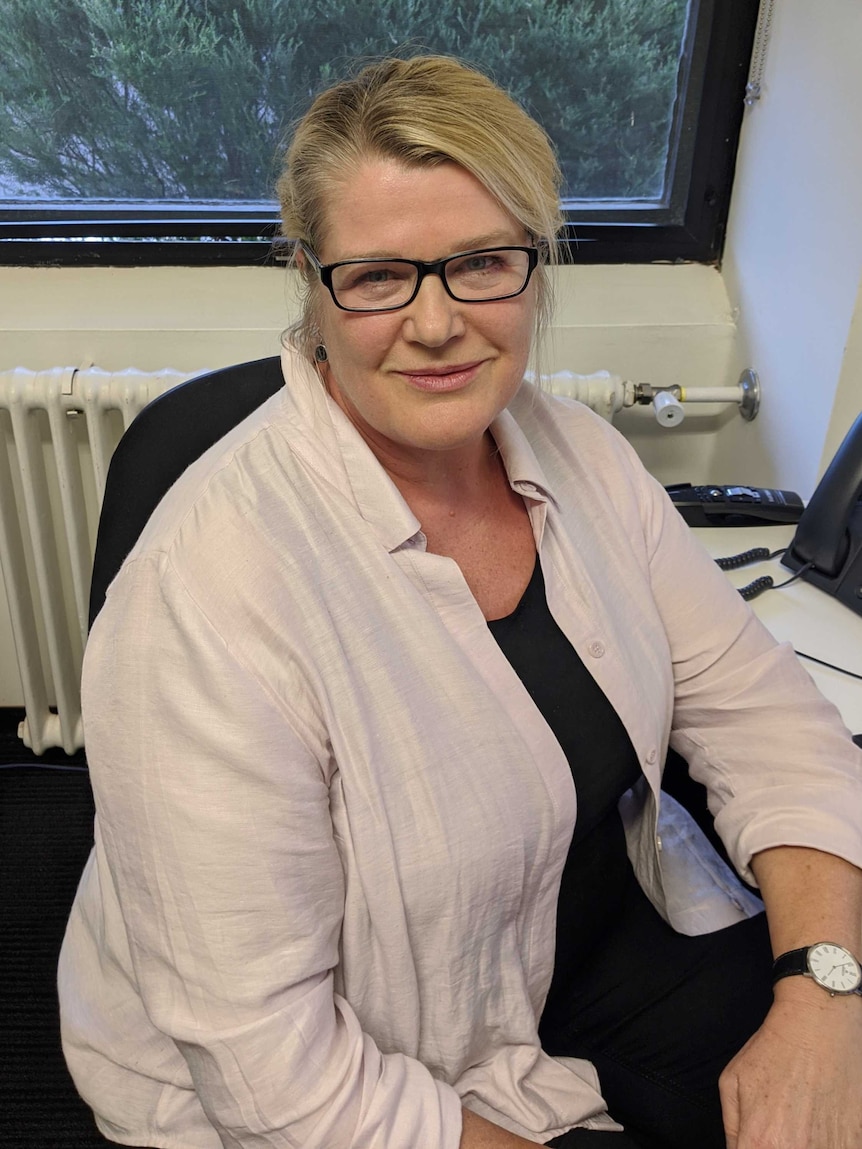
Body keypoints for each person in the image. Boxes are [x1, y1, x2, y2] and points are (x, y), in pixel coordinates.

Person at [59, 55, 862, 1149]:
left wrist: (821, 1002)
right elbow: (271, 1071)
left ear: (537, 267)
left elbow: (769, 726)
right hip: (340, 1073)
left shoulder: (578, 452)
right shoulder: (201, 597)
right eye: (381, 275)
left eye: (483, 263)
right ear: (311, 280)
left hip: (578, 936)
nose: (438, 324)